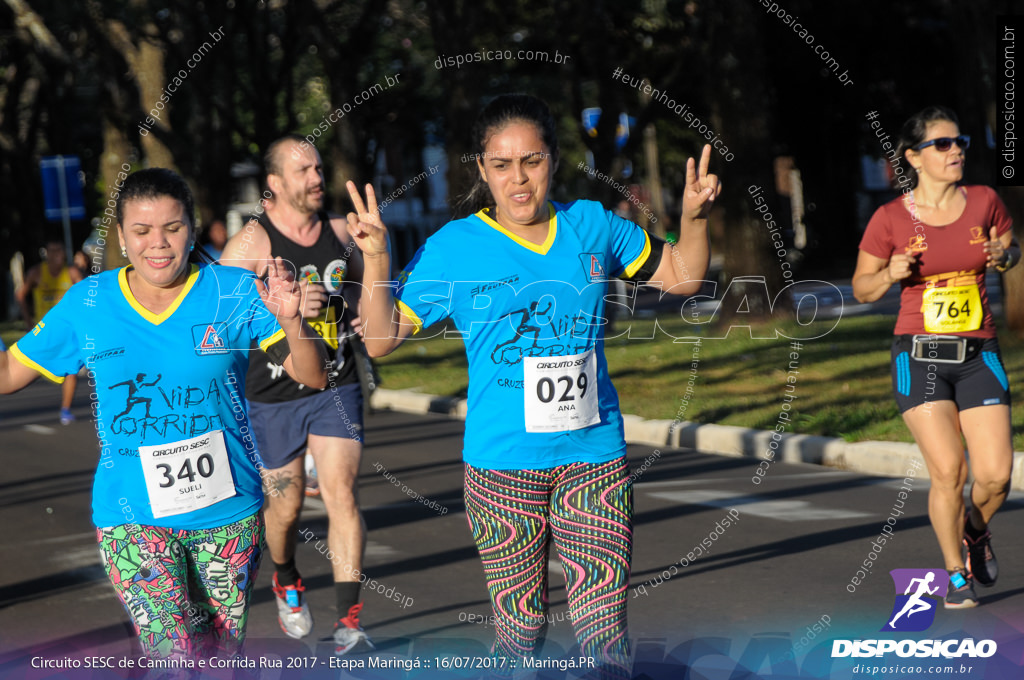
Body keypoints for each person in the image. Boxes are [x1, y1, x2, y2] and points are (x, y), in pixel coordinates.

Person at [346, 93, 718, 678]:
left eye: (532, 161)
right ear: (481, 169)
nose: (518, 180)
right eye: (501, 165)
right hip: (501, 466)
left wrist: (694, 217)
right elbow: (380, 339)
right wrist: (376, 258)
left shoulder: (592, 225)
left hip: (593, 455)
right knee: (520, 633)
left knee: (604, 631)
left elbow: (685, 278)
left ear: (554, 160)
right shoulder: (454, 247)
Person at [0, 168, 327, 660]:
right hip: (132, 517)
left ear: (192, 229)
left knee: (219, 657)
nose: (158, 243)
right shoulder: (90, 303)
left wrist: (290, 318)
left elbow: (313, 374)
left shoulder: (233, 291)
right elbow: (7, 372)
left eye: (172, 228)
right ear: (122, 238)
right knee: (175, 655)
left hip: (227, 513)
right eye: (142, 231)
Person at [853, 106, 1018, 609]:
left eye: (960, 142)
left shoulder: (985, 201)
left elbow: (1010, 246)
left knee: (995, 476)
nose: (956, 151)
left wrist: (1003, 256)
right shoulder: (890, 219)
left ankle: (973, 529)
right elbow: (862, 287)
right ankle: (954, 573)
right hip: (918, 356)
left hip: (978, 353)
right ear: (913, 157)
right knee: (949, 470)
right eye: (942, 144)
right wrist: (890, 274)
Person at [220, 134, 372, 654]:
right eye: (302, 170)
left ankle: (349, 620)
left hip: (336, 382)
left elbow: (365, 287)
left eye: (317, 168)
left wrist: (355, 301)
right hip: (271, 395)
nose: (315, 178)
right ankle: (285, 575)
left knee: (342, 494)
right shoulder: (247, 248)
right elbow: (221, 323)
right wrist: (283, 310)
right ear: (274, 184)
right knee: (283, 512)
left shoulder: (338, 232)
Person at [16, 238, 84, 424]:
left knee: (72, 368)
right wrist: (28, 321)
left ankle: (65, 409)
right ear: (46, 253)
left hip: (68, 329)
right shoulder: (37, 272)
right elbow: (21, 294)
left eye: (59, 250)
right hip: (43, 331)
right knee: (25, 368)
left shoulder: (71, 273)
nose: (56, 255)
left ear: (64, 253)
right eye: (52, 251)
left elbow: (88, 294)